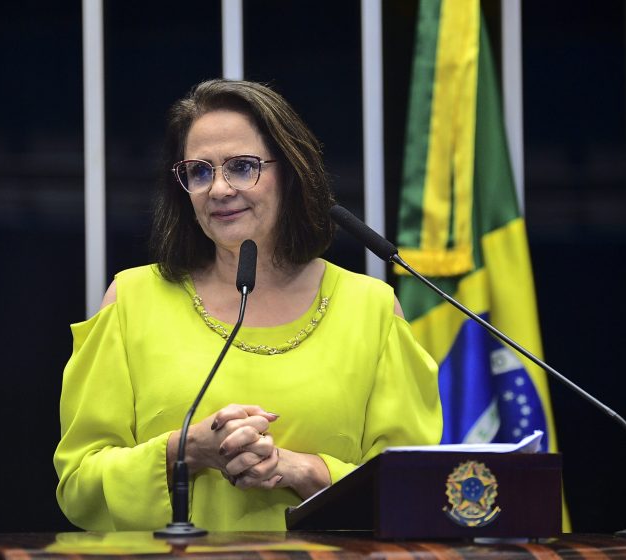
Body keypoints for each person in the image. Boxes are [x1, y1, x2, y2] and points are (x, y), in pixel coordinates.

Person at [53, 79, 442, 532]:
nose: (218, 189)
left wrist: (304, 471)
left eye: (241, 167)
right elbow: (80, 486)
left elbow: (416, 492)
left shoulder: (371, 309)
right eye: (199, 172)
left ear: (292, 173)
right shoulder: (131, 299)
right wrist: (185, 450)